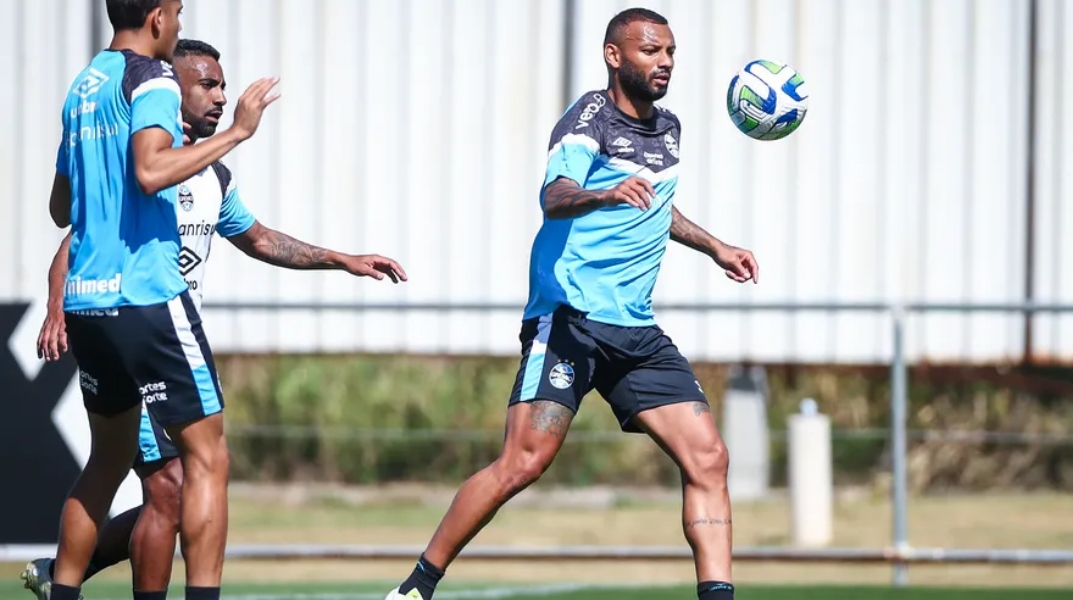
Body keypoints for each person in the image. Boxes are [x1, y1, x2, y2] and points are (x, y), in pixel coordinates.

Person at [386, 8, 756, 600]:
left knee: (709, 458)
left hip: (635, 332)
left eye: (670, 53)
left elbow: (656, 206)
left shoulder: (669, 129)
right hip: (569, 321)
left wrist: (715, 245)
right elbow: (554, 196)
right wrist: (604, 192)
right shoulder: (590, 118)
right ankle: (415, 587)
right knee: (522, 464)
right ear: (615, 55)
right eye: (650, 51)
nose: (664, 63)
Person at [22, 37, 407, 600]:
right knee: (172, 487)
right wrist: (55, 306)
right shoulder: (143, 151)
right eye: (206, 84)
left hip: (159, 330)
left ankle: (57, 573)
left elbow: (259, 238)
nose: (221, 96)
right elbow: (75, 234)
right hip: (143, 323)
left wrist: (340, 259)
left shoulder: (213, 177)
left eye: (222, 85)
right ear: (167, 90)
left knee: (161, 485)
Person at [45, 1, 282, 599]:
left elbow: (59, 207)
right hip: (146, 296)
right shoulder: (150, 77)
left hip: (89, 303)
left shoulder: (83, 86)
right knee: (207, 459)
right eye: (175, 12)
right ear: (156, 18)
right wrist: (237, 133)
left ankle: (60, 590)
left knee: (106, 464)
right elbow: (150, 171)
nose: (177, 23)